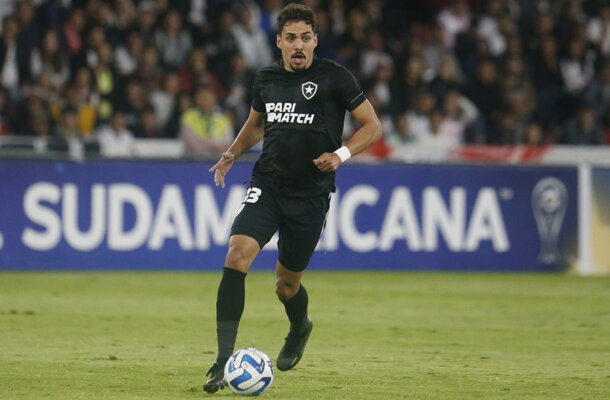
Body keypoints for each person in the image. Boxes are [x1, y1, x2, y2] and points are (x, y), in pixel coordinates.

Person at [203, 3, 381, 393]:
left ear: (315, 40)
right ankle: (221, 361)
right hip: (267, 184)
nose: (298, 45)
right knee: (236, 255)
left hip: (310, 197)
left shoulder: (335, 77)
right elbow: (255, 125)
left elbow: (373, 126)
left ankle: (300, 326)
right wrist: (233, 152)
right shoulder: (266, 78)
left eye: (305, 38)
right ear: (279, 42)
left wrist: (341, 154)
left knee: (286, 286)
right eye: (291, 39)